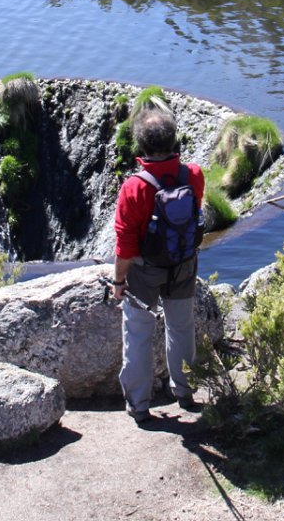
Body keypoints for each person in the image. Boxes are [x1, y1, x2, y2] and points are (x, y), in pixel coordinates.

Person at [111, 107, 204, 424]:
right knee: (181, 327)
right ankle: (185, 392)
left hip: (144, 270)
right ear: (173, 141)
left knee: (138, 333)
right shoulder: (193, 175)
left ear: (142, 146)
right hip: (183, 264)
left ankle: (139, 404)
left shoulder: (134, 187)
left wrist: (119, 282)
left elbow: (125, 244)